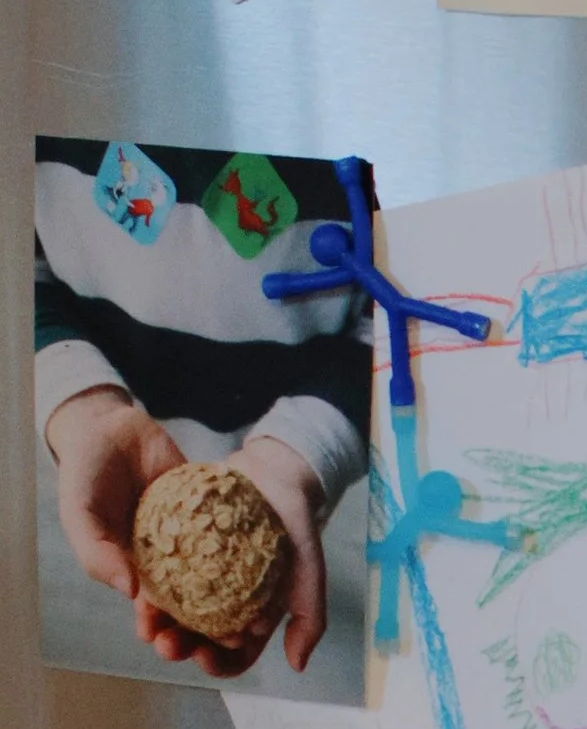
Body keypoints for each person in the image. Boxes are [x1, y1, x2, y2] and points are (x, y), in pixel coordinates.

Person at [34, 140, 374, 678]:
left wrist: (303, 450)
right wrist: (80, 404)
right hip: (110, 438)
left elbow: (410, 309)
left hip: (305, 467)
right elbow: (4, 263)